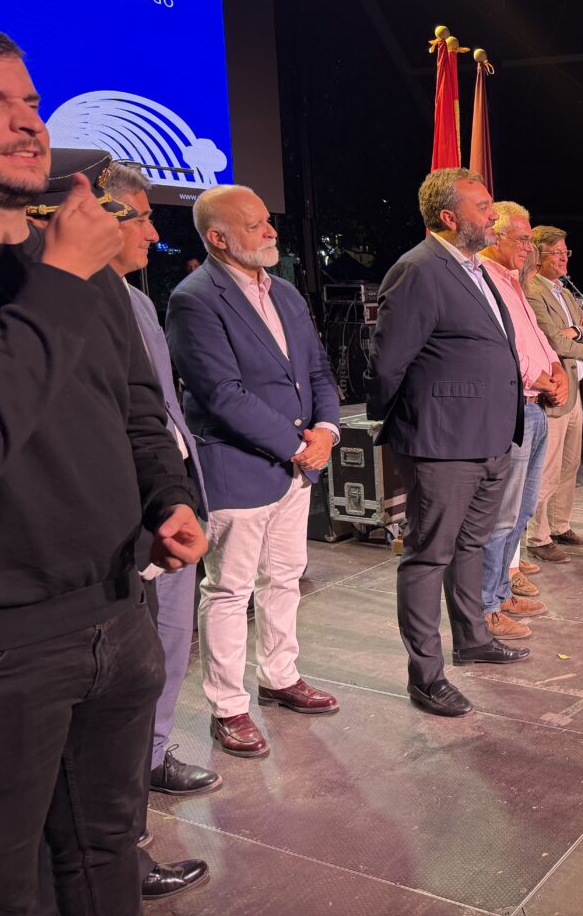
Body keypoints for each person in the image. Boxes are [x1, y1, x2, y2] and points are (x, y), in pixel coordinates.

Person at [0, 33, 207, 914]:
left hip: (118, 618)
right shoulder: (65, 273)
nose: (29, 125)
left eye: (31, 104)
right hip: (12, 644)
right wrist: (58, 277)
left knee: (106, 850)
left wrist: (170, 498)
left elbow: (138, 412)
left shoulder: (86, 278)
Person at [167, 184, 342, 757]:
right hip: (238, 467)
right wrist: (297, 446)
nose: (270, 232)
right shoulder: (195, 298)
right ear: (218, 238)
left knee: (286, 576)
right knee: (229, 590)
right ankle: (228, 707)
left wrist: (328, 430)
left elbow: (317, 370)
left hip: (296, 465)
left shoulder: (285, 292)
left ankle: (279, 676)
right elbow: (221, 393)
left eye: (268, 221)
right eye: (255, 225)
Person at [365, 167, 531, 718]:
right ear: (448, 217)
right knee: (428, 555)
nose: (493, 216)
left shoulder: (475, 269)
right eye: (483, 207)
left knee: (470, 546)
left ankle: (473, 638)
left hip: (490, 437)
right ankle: (426, 677)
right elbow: (388, 362)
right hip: (441, 442)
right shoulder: (418, 269)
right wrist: (405, 423)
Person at [102, 160, 219, 899]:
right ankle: (117, 836)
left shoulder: (139, 303)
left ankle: (147, 762)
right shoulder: (58, 300)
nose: (153, 232)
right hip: (118, 523)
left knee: (168, 653)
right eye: (140, 217)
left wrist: (179, 496)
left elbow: (156, 414)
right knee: (120, 680)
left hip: (169, 505)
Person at [475, 202, 566, 640]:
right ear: (495, 235)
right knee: (503, 515)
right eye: (524, 239)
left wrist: (557, 369)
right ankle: (486, 607)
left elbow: (536, 339)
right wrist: (541, 377)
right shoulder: (483, 279)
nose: (531, 248)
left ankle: (501, 590)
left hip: (535, 405)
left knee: (523, 509)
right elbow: (501, 347)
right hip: (514, 407)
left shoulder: (512, 280)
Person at [524, 224, 583, 564]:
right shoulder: (532, 290)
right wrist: (582, 344)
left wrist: (576, 334)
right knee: (548, 467)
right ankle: (537, 536)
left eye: (565, 252)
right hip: (555, 391)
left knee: (570, 464)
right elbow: (553, 340)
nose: (563, 258)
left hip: (577, 391)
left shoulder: (564, 292)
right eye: (556, 253)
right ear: (537, 255)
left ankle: (560, 525)